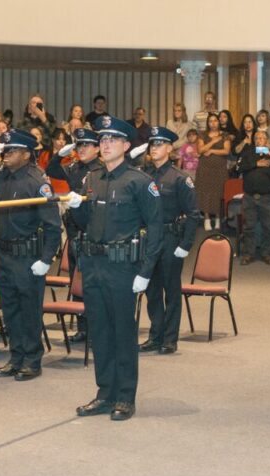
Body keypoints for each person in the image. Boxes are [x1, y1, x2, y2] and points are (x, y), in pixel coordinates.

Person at [62, 116, 162, 421]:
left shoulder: (139, 181)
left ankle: (125, 396)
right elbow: (81, 226)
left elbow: (157, 229)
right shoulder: (91, 179)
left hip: (122, 268)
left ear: (126, 145)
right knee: (100, 332)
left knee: (122, 332)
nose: (104, 145)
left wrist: (145, 272)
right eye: (102, 140)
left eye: (111, 140)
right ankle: (104, 393)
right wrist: (75, 209)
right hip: (92, 264)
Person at [0, 130, 63, 380]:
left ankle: (32, 359)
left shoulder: (36, 181)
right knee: (10, 310)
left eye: (12, 151)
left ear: (27, 154)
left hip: (29, 256)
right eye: (5, 150)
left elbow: (53, 225)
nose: (6, 155)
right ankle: (16, 357)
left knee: (29, 310)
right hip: (5, 253)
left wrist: (46, 260)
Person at [138, 127, 201, 354]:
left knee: (171, 291)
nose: (154, 149)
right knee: (151, 289)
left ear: (168, 148)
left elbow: (194, 214)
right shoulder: (143, 176)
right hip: (148, 239)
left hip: (169, 237)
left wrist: (185, 245)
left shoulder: (179, 178)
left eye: (159, 145)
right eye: (152, 145)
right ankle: (155, 335)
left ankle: (170, 339)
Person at [46, 128, 102, 343]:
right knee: (76, 281)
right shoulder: (73, 167)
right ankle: (83, 328)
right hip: (73, 231)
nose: (82, 149)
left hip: (91, 231)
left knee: (92, 282)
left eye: (86, 145)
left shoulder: (101, 170)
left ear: (97, 148)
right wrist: (61, 153)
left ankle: (96, 328)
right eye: (79, 145)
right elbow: (52, 169)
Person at [237, 131, 270, 264]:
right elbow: (238, 168)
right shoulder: (247, 153)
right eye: (257, 138)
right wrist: (256, 164)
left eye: (262, 138)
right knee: (249, 227)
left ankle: (266, 253)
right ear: (254, 140)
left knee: (268, 227)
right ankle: (248, 254)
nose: (259, 140)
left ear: (267, 140)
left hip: (267, 197)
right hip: (249, 197)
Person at [195, 113, 229, 230]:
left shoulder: (224, 135)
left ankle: (218, 218)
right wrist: (213, 141)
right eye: (211, 121)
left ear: (219, 122)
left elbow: (226, 151)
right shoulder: (202, 135)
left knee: (219, 192)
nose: (213, 123)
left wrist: (212, 151)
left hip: (220, 169)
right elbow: (200, 150)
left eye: (215, 120)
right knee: (205, 192)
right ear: (207, 123)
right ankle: (207, 218)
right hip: (205, 168)